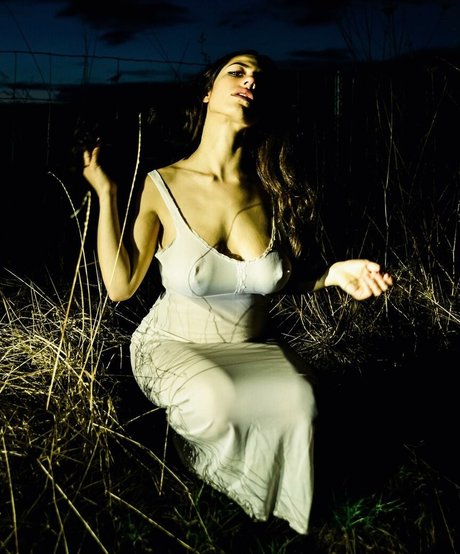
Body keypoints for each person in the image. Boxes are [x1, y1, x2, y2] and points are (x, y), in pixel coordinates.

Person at [81, 49, 393, 535]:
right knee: (220, 398)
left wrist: (332, 274)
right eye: (238, 71)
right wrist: (107, 194)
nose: (251, 81)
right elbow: (121, 286)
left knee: (301, 401)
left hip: (254, 345)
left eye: (260, 79)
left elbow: (275, 279)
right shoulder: (163, 184)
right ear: (208, 92)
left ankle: (284, 518)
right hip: (173, 345)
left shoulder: (273, 187)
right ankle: (212, 484)